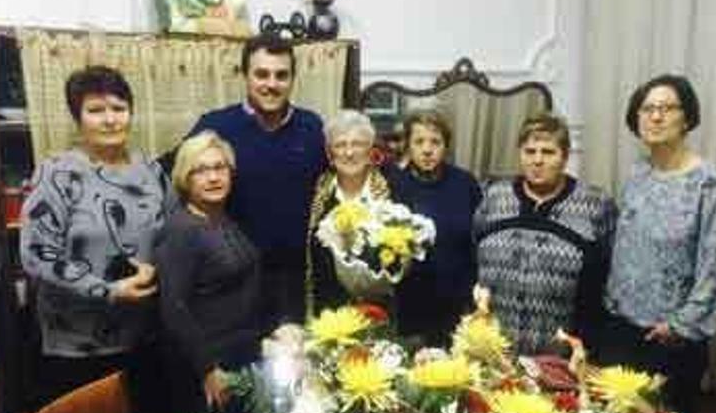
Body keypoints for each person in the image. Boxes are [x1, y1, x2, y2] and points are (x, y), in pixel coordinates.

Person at [19, 66, 171, 413]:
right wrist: (108, 290)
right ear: (78, 117)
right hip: (77, 347)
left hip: (145, 339)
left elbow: (170, 235)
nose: (109, 120)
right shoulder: (56, 174)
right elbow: (37, 254)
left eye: (118, 108)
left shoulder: (149, 170)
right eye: (96, 110)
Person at [601, 74, 716, 413]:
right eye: (648, 109)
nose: (656, 117)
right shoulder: (637, 172)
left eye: (667, 108)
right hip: (621, 325)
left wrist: (679, 325)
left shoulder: (710, 182)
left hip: (670, 338)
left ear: (687, 117)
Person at [159, 34, 326, 330]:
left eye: (281, 75)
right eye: (261, 74)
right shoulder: (216, 125)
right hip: (231, 280)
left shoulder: (312, 128)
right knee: (241, 371)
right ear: (244, 75)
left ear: (293, 79)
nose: (271, 84)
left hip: (296, 281)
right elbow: (170, 174)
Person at [474, 114, 617, 355]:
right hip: (495, 350)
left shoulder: (596, 204)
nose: (537, 160)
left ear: (565, 156)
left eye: (548, 152)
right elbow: (472, 255)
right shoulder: (493, 196)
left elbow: (609, 278)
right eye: (529, 151)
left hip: (562, 354)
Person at [155, 130, 262, 413]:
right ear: (184, 179)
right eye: (200, 170)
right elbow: (174, 308)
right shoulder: (182, 230)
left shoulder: (222, 217)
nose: (213, 177)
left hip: (239, 356)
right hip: (205, 367)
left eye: (219, 167)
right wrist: (207, 370)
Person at [387, 110, 481, 346]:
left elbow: (478, 241)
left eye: (435, 142)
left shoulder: (465, 183)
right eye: (419, 142)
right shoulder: (393, 184)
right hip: (409, 304)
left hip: (458, 302)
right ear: (408, 145)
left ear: (446, 146)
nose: (427, 150)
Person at [305, 110, 391, 317]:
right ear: (330, 154)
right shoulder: (314, 194)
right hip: (328, 317)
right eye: (340, 145)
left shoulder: (394, 191)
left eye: (358, 144)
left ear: (371, 151)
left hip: (384, 317)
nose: (349, 152)